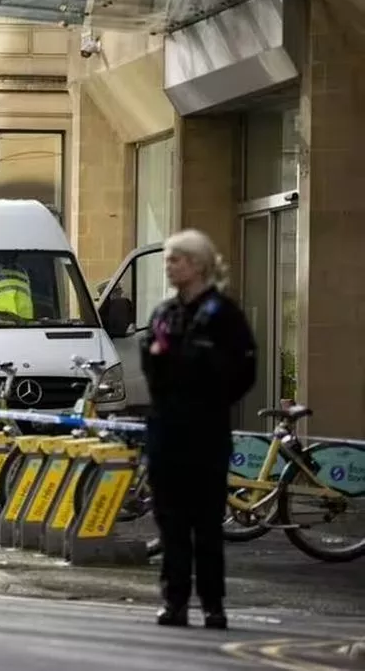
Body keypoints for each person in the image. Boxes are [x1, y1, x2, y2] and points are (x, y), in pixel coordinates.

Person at [140, 229, 257, 630]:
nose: (169, 266)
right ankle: (174, 602)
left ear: (198, 264)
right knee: (170, 522)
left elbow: (243, 373)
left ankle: (212, 603)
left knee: (206, 523)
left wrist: (206, 385)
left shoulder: (224, 315)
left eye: (176, 259)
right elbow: (151, 365)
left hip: (205, 431)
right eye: (168, 260)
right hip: (167, 429)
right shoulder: (164, 313)